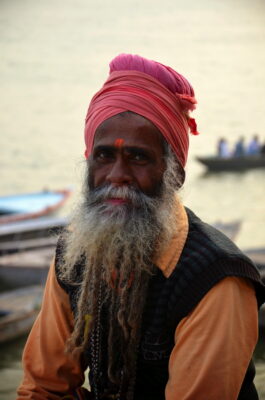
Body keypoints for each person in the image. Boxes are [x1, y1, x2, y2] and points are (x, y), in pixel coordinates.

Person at [17, 54, 265, 400]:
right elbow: (42, 387)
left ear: (174, 174)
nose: (117, 176)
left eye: (138, 157)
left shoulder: (216, 279)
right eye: (104, 156)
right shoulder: (74, 252)